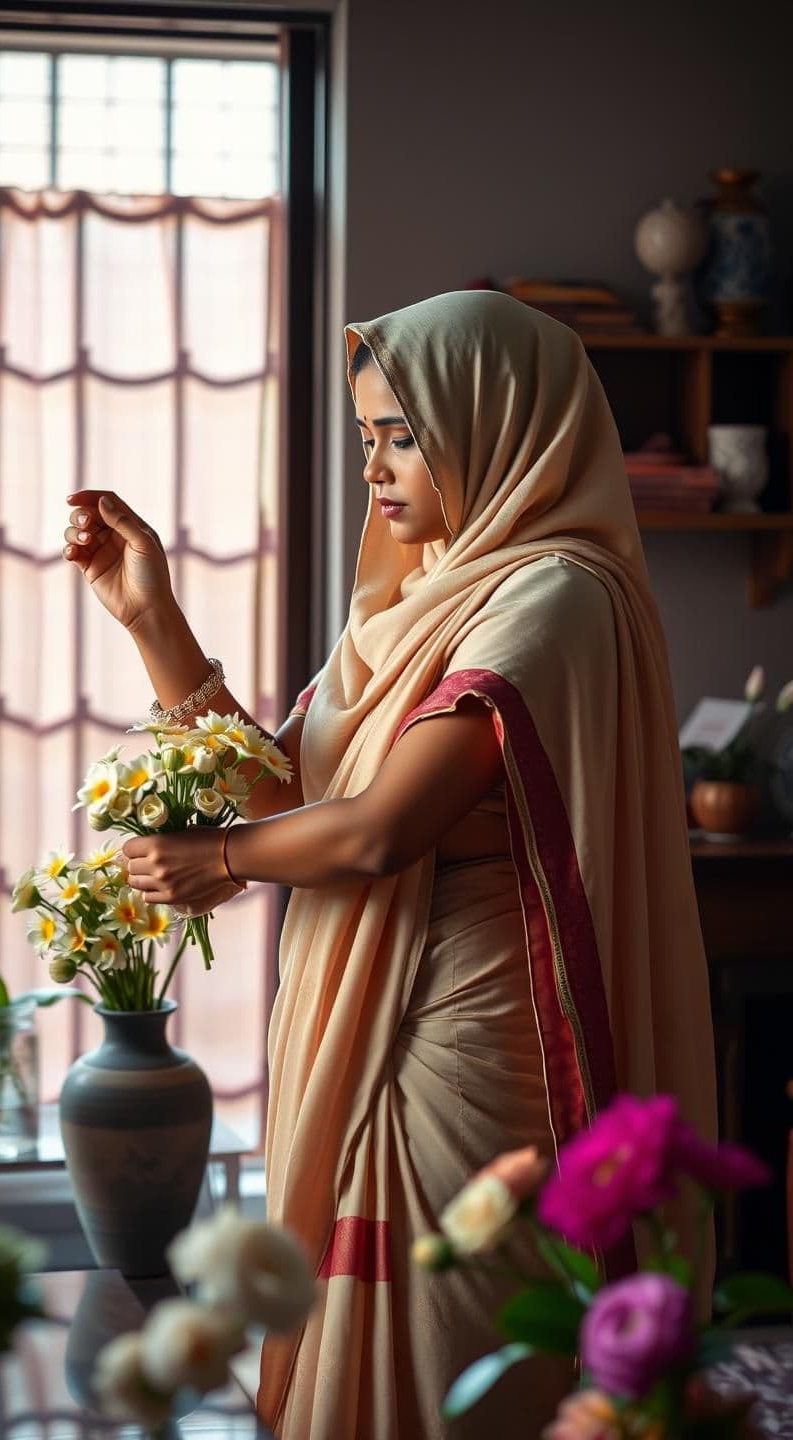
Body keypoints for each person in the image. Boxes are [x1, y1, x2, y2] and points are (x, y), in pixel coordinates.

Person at [63, 289, 717, 1440]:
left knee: (442, 1345)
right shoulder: (412, 606)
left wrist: (223, 862)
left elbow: (376, 829)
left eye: (403, 434)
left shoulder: (552, 595)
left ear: (500, 425)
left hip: (466, 1046)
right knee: (363, 1339)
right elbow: (290, 794)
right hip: (391, 1020)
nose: (375, 467)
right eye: (367, 437)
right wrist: (152, 619)